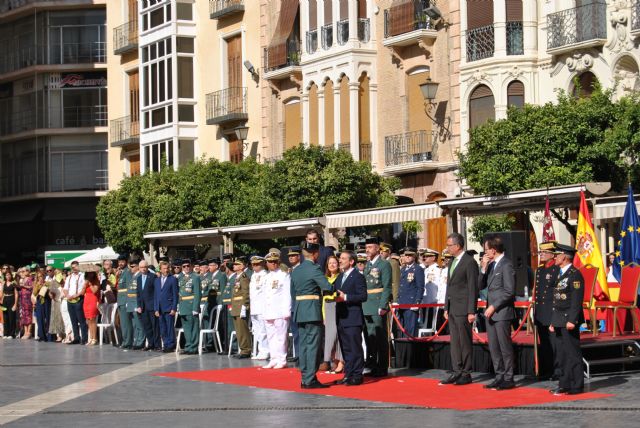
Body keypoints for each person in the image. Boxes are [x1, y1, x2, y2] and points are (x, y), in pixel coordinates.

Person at [291, 241, 333, 389]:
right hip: (312, 311)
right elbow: (327, 286)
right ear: (315, 254)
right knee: (313, 346)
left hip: (300, 311)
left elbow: (293, 292)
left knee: (303, 346)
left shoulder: (296, 270)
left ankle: (304, 377)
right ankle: (310, 379)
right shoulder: (314, 269)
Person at [440, 232, 479, 386]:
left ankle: (466, 372)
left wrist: (471, 310)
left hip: (463, 308)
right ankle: (457, 370)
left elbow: (472, 288)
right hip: (453, 307)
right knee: (455, 342)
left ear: (457, 245)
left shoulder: (469, 262)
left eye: (449, 245)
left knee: (464, 342)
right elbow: (449, 287)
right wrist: (445, 307)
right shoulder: (452, 262)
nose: (447, 248)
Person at [479, 234, 516, 390]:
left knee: (504, 346)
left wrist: (494, 306)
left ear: (493, 250)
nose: (485, 252)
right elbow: (480, 285)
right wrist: (483, 267)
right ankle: (499, 375)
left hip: (501, 312)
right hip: (491, 313)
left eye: (486, 250)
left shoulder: (506, 265)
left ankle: (509, 377)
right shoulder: (492, 265)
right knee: (494, 346)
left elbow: (509, 291)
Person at [549, 244, 585, 396]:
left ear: (564, 256)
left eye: (557, 255)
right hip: (558, 319)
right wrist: (552, 321)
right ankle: (564, 384)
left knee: (572, 353)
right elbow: (556, 301)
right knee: (562, 354)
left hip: (568, 319)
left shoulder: (574, 274)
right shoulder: (559, 273)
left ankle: (576, 385)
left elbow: (576, 300)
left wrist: (573, 320)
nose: (555, 257)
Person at [334, 251, 368, 386]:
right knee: (345, 348)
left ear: (351, 261)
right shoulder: (340, 276)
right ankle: (348, 374)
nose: (340, 261)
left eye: (343, 258)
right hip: (341, 317)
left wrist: (346, 297)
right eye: (340, 258)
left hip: (353, 317)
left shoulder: (358, 276)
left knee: (355, 347)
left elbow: (363, 296)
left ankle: (357, 375)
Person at [363, 237, 392, 377]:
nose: (367, 250)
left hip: (377, 302)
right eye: (366, 247)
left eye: (370, 247)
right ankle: (372, 364)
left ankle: (382, 366)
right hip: (366, 304)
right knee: (370, 337)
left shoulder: (384, 264)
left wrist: (383, 305)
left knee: (380, 336)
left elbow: (386, 286)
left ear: (377, 249)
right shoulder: (367, 265)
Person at [534, 241, 561, 380]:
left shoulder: (556, 270)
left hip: (551, 310)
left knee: (554, 343)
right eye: (540, 252)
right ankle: (547, 369)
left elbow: (557, 292)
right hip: (541, 311)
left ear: (552, 255)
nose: (541, 255)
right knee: (544, 343)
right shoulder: (539, 270)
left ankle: (557, 370)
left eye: (544, 252)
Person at [262, 250, 292, 369]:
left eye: (275, 261)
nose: (273, 264)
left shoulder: (284, 275)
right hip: (268, 311)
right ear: (267, 263)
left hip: (279, 311)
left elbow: (286, 294)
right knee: (271, 336)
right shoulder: (267, 277)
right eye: (270, 262)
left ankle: (282, 359)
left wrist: (286, 310)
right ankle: (273, 358)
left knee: (281, 337)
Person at [319, 255, 344, 374]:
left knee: (338, 336)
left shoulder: (341, 277)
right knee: (329, 337)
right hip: (327, 308)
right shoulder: (325, 279)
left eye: (334, 263)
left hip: (337, 307)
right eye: (330, 263)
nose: (332, 265)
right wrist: (323, 315)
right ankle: (332, 360)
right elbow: (323, 298)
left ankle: (341, 362)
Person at [397, 247, 425, 338]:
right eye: (406, 255)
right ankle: (404, 350)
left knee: (410, 330)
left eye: (410, 255)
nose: (407, 257)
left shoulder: (417, 269)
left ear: (414, 256)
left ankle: (411, 350)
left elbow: (420, 287)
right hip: (402, 303)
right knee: (401, 329)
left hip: (411, 303)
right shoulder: (403, 269)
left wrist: (417, 301)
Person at [154, 261, 179, 352]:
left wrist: (174, 308)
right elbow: (156, 295)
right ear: (160, 269)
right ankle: (165, 343)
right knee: (162, 327)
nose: (166, 270)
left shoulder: (172, 279)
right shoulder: (156, 280)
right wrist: (156, 308)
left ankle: (171, 344)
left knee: (169, 327)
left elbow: (175, 295)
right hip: (160, 308)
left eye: (167, 268)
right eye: (164, 268)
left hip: (169, 307)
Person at [178, 259, 201, 355]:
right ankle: (188, 346)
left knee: (194, 327)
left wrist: (195, 308)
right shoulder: (179, 277)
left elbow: (197, 293)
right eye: (184, 266)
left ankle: (193, 347)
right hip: (183, 305)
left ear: (191, 266)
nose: (186, 268)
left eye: (188, 266)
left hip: (191, 305)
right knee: (186, 328)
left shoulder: (195, 277)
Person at [137, 260, 160, 351]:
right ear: (139, 268)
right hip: (143, 307)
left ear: (147, 268)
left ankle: (157, 345)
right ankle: (151, 343)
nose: (143, 269)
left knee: (155, 326)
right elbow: (138, 293)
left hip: (152, 306)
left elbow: (156, 292)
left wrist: (156, 307)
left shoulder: (153, 277)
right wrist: (139, 305)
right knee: (147, 326)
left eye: (145, 267)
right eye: (141, 267)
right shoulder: (138, 278)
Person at [249, 256, 270, 360]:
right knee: (256, 330)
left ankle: (265, 351)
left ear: (262, 264)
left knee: (263, 330)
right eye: (253, 264)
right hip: (254, 307)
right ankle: (260, 350)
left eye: (257, 264)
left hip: (262, 306)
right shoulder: (253, 276)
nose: (254, 266)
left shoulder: (265, 275)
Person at [231, 257, 251, 358]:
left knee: (243, 329)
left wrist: (245, 305)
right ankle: (242, 348)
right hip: (235, 307)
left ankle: (246, 350)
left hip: (240, 307)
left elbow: (246, 293)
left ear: (242, 266)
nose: (234, 266)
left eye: (236, 264)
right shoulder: (237, 277)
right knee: (239, 330)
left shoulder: (244, 277)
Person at [64, 261, 87, 344]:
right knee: (73, 320)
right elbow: (65, 288)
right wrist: (67, 295)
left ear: (78, 266)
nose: (73, 269)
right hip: (70, 300)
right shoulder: (69, 277)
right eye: (72, 267)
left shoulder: (83, 276)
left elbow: (83, 288)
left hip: (79, 299)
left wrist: (76, 295)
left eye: (75, 267)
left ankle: (84, 338)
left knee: (81, 320)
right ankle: (76, 337)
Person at [125, 259, 145, 350]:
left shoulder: (140, 276)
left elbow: (139, 292)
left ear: (137, 267)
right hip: (131, 302)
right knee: (134, 324)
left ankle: (140, 341)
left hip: (136, 302)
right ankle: (136, 340)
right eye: (130, 267)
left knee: (139, 324)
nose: (131, 268)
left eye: (132, 267)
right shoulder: (133, 276)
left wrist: (139, 305)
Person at [286, 246, 302, 363]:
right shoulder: (290, 271)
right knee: (295, 332)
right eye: (289, 256)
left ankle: (302, 355)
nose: (291, 258)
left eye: (293, 255)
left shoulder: (301, 269)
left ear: (299, 256)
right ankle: (297, 353)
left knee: (301, 332)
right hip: (291, 305)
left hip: (299, 304)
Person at [116, 255, 133, 349]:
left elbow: (130, 287)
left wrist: (128, 300)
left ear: (126, 262)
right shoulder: (121, 273)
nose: (120, 263)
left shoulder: (128, 272)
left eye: (122, 261)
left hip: (125, 300)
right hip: (120, 300)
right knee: (123, 323)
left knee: (126, 323)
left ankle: (128, 342)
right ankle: (125, 340)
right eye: (119, 261)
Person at [33, 270, 52, 342]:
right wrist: (38, 285)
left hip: (47, 301)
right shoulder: (36, 284)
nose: (40, 278)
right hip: (40, 302)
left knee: (48, 318)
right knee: (40, 319)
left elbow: (51, 292)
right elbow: (34, 293)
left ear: (44, 276)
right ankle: (41, 336)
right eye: (39, 277)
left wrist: (47, 287)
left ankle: (50, 336)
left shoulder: (48, 283)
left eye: (41, 276)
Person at [83, 271, 101, 346]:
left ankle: (94, 338)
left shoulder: (96, 281)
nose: (90, 274)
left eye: (91, 273)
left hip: (93, 300)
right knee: (88, 320)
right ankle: (91, 338)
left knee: (93, 319)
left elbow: (94, 291)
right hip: (86, 300)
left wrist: (90, 284)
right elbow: (82, 292)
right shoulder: (86, 281)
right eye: (88, 273)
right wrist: (85, 285)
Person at [17, 267, 34, 339]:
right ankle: (25, 331)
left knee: (28, 315)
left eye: (25, 271)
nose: (23, 272)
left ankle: (29, 332)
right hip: (22, 300)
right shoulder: (22, 279)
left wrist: (23, 286)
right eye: (23, 271)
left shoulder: (30, 278)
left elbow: (32, 287)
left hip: (28, 299)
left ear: (28, 271)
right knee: (23, 316)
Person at [1, 271, 18, 338]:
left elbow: (16, 294)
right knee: (5, 317)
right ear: (5, 276)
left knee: (12, 317)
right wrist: (1, 302)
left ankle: (11, 334)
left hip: (12, 299)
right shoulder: (4, 283)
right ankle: (6, 333)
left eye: (9, 275)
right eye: (7, 275)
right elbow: (2, 293)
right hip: (5, 300)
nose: (8, 276)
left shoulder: (13, 283)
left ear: (11, 276)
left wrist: (15, 304)